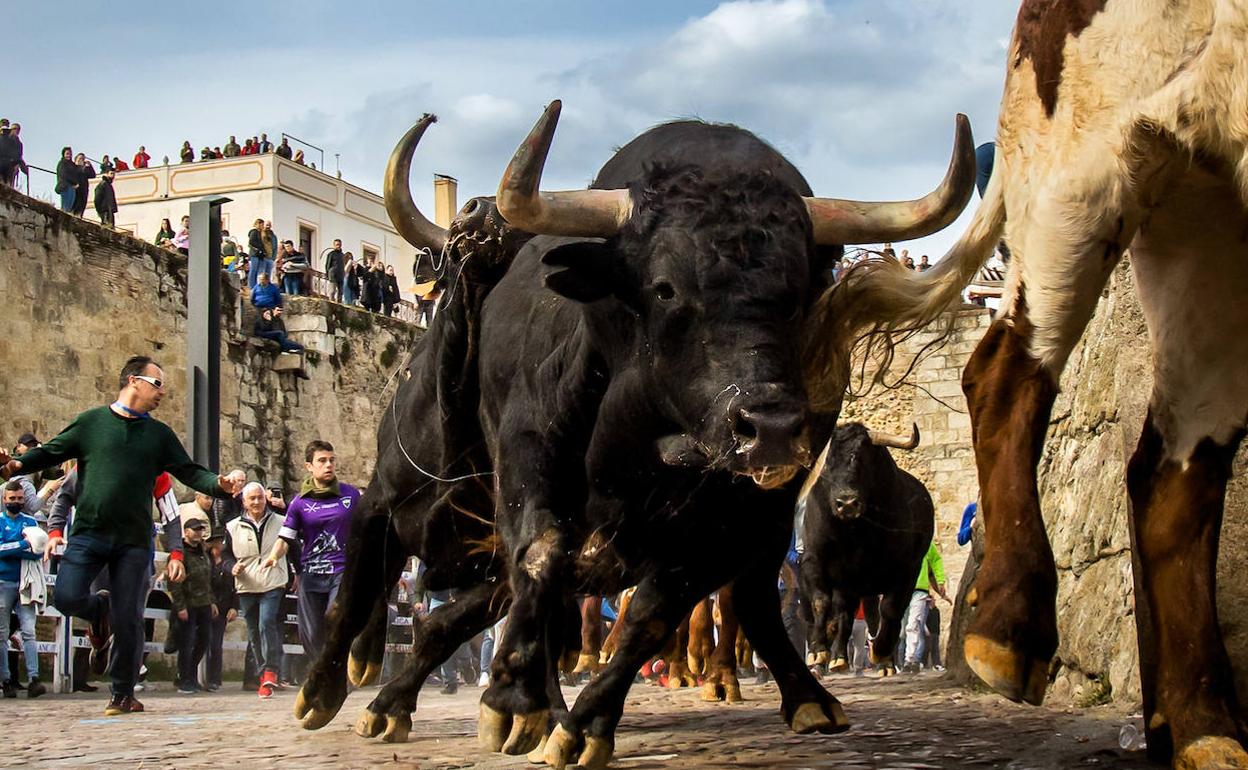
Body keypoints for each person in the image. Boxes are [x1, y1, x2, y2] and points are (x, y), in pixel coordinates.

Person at [0, 356, 242, 715]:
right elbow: (51, 451)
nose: (162, 393)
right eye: (157, 384)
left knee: (129, 617)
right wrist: (17, 465)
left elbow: (190, 472)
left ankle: (122, 692)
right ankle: (99, 610)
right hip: (88, 535)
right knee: (66, 597)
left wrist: (219, 485)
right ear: (133, 381)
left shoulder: (158, 435)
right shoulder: (92, 423)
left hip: (133, 542)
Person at [263, 441, 359, 662]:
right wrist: (272, 557)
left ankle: (339, 667)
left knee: (335, 618)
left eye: (331, 460)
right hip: (311, 574)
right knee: (312, 633)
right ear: (309, 466)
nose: (328, 465)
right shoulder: (299, 502)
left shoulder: (351, 496)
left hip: (341, 570)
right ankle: (322, 671)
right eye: (322, 461)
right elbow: (285, 538)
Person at [223, 482, 288, 699]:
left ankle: (272, 670)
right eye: (252, 498)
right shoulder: (232, 526)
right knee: (253, 631)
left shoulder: (280, 521)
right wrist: (232, 566)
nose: (257, 502)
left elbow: (293, 546)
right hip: (246, 584)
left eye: (260, 497)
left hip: (273, 579)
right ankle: (263, 676)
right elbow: (225, 556)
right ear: (244, 502)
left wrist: (296, 572)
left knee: (266, 622)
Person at [0, 481, 45, 699]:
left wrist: (17, 548)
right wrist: (22, 545)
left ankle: (34, 678)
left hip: (25, 582)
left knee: (29, 631)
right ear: (4, 499)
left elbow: (38, 551)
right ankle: (6, 680)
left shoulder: (30, 521)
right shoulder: (0, 521)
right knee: (2, 633)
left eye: (19, 499)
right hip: (3, 582)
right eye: (12, 499)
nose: (16, 502)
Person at [170, 515, 215, 693]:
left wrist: (212, 601)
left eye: (200, 529)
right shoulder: (179, 552)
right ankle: (184, 678)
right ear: (186, 532)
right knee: (186, 643)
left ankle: (190, 674)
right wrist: (180, 606)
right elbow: (174, 582)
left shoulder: (203, 551)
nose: (198, 533)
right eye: (195, 529)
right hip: (188, 604)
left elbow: (207, 579)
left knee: (204, 640)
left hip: (204, 603)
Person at [902, 539, 948, 673]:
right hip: (901, 590)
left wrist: (940, 580)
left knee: (913, 624)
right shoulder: (898, 540)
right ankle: (908, 659)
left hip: (919, 590)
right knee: (903, 628)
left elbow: (936, 559)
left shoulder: (926, 542)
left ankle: (911, 659)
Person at [0, 120, 28, 189]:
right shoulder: (6, 139)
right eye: (14, 129)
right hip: (4, 165)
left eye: (17, 129)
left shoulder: (18, 143)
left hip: (10, 167)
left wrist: (22, 167)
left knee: (8, 187)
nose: (16, 130)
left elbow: (19, 156)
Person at [55, 147, 76, 212]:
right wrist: (75, 182)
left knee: (70, 206)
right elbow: (64, 175)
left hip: (72, 187)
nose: (69, 155)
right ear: (63, 154)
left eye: (70, 154)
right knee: (65, 207)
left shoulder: (72, 164)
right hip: (65, 186)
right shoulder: (62, 163)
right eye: (67, 154)